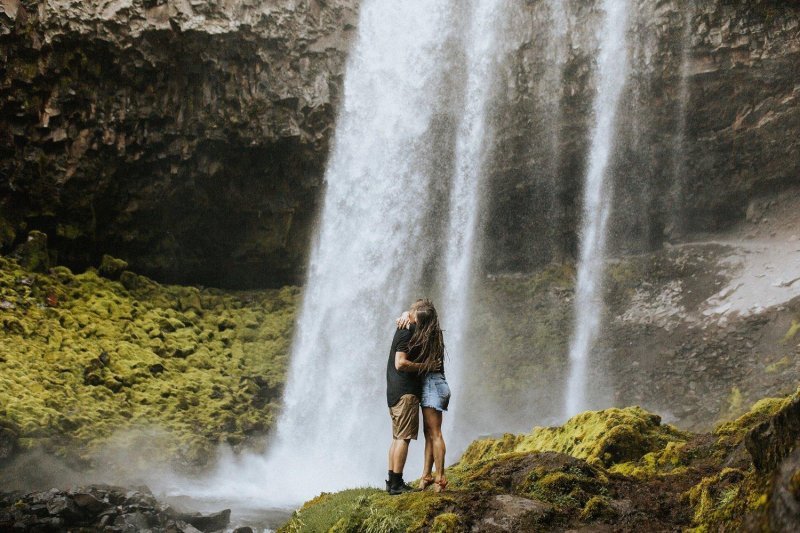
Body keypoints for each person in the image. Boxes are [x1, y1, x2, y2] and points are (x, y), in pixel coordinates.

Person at [396, 299, 450, 492]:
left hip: (434, 386)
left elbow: (404, 358)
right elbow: (414, 313)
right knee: (429, 434)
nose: (413, 321)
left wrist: (404, 317)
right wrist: (405, 313)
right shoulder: (431, 330)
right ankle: (426, 476)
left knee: (435, 434)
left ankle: (440, 479)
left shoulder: (427, 336)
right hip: (434, 386)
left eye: (415, 319)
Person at [385, 299, 431, 495]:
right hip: (405, 392)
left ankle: (392, 480)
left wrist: (406, 313)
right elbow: (401, 363)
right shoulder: (407, 331)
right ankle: (397, 484)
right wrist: (425, 366)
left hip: (396, 390)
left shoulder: (406, 325)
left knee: (397, 437)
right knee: (404, 438)